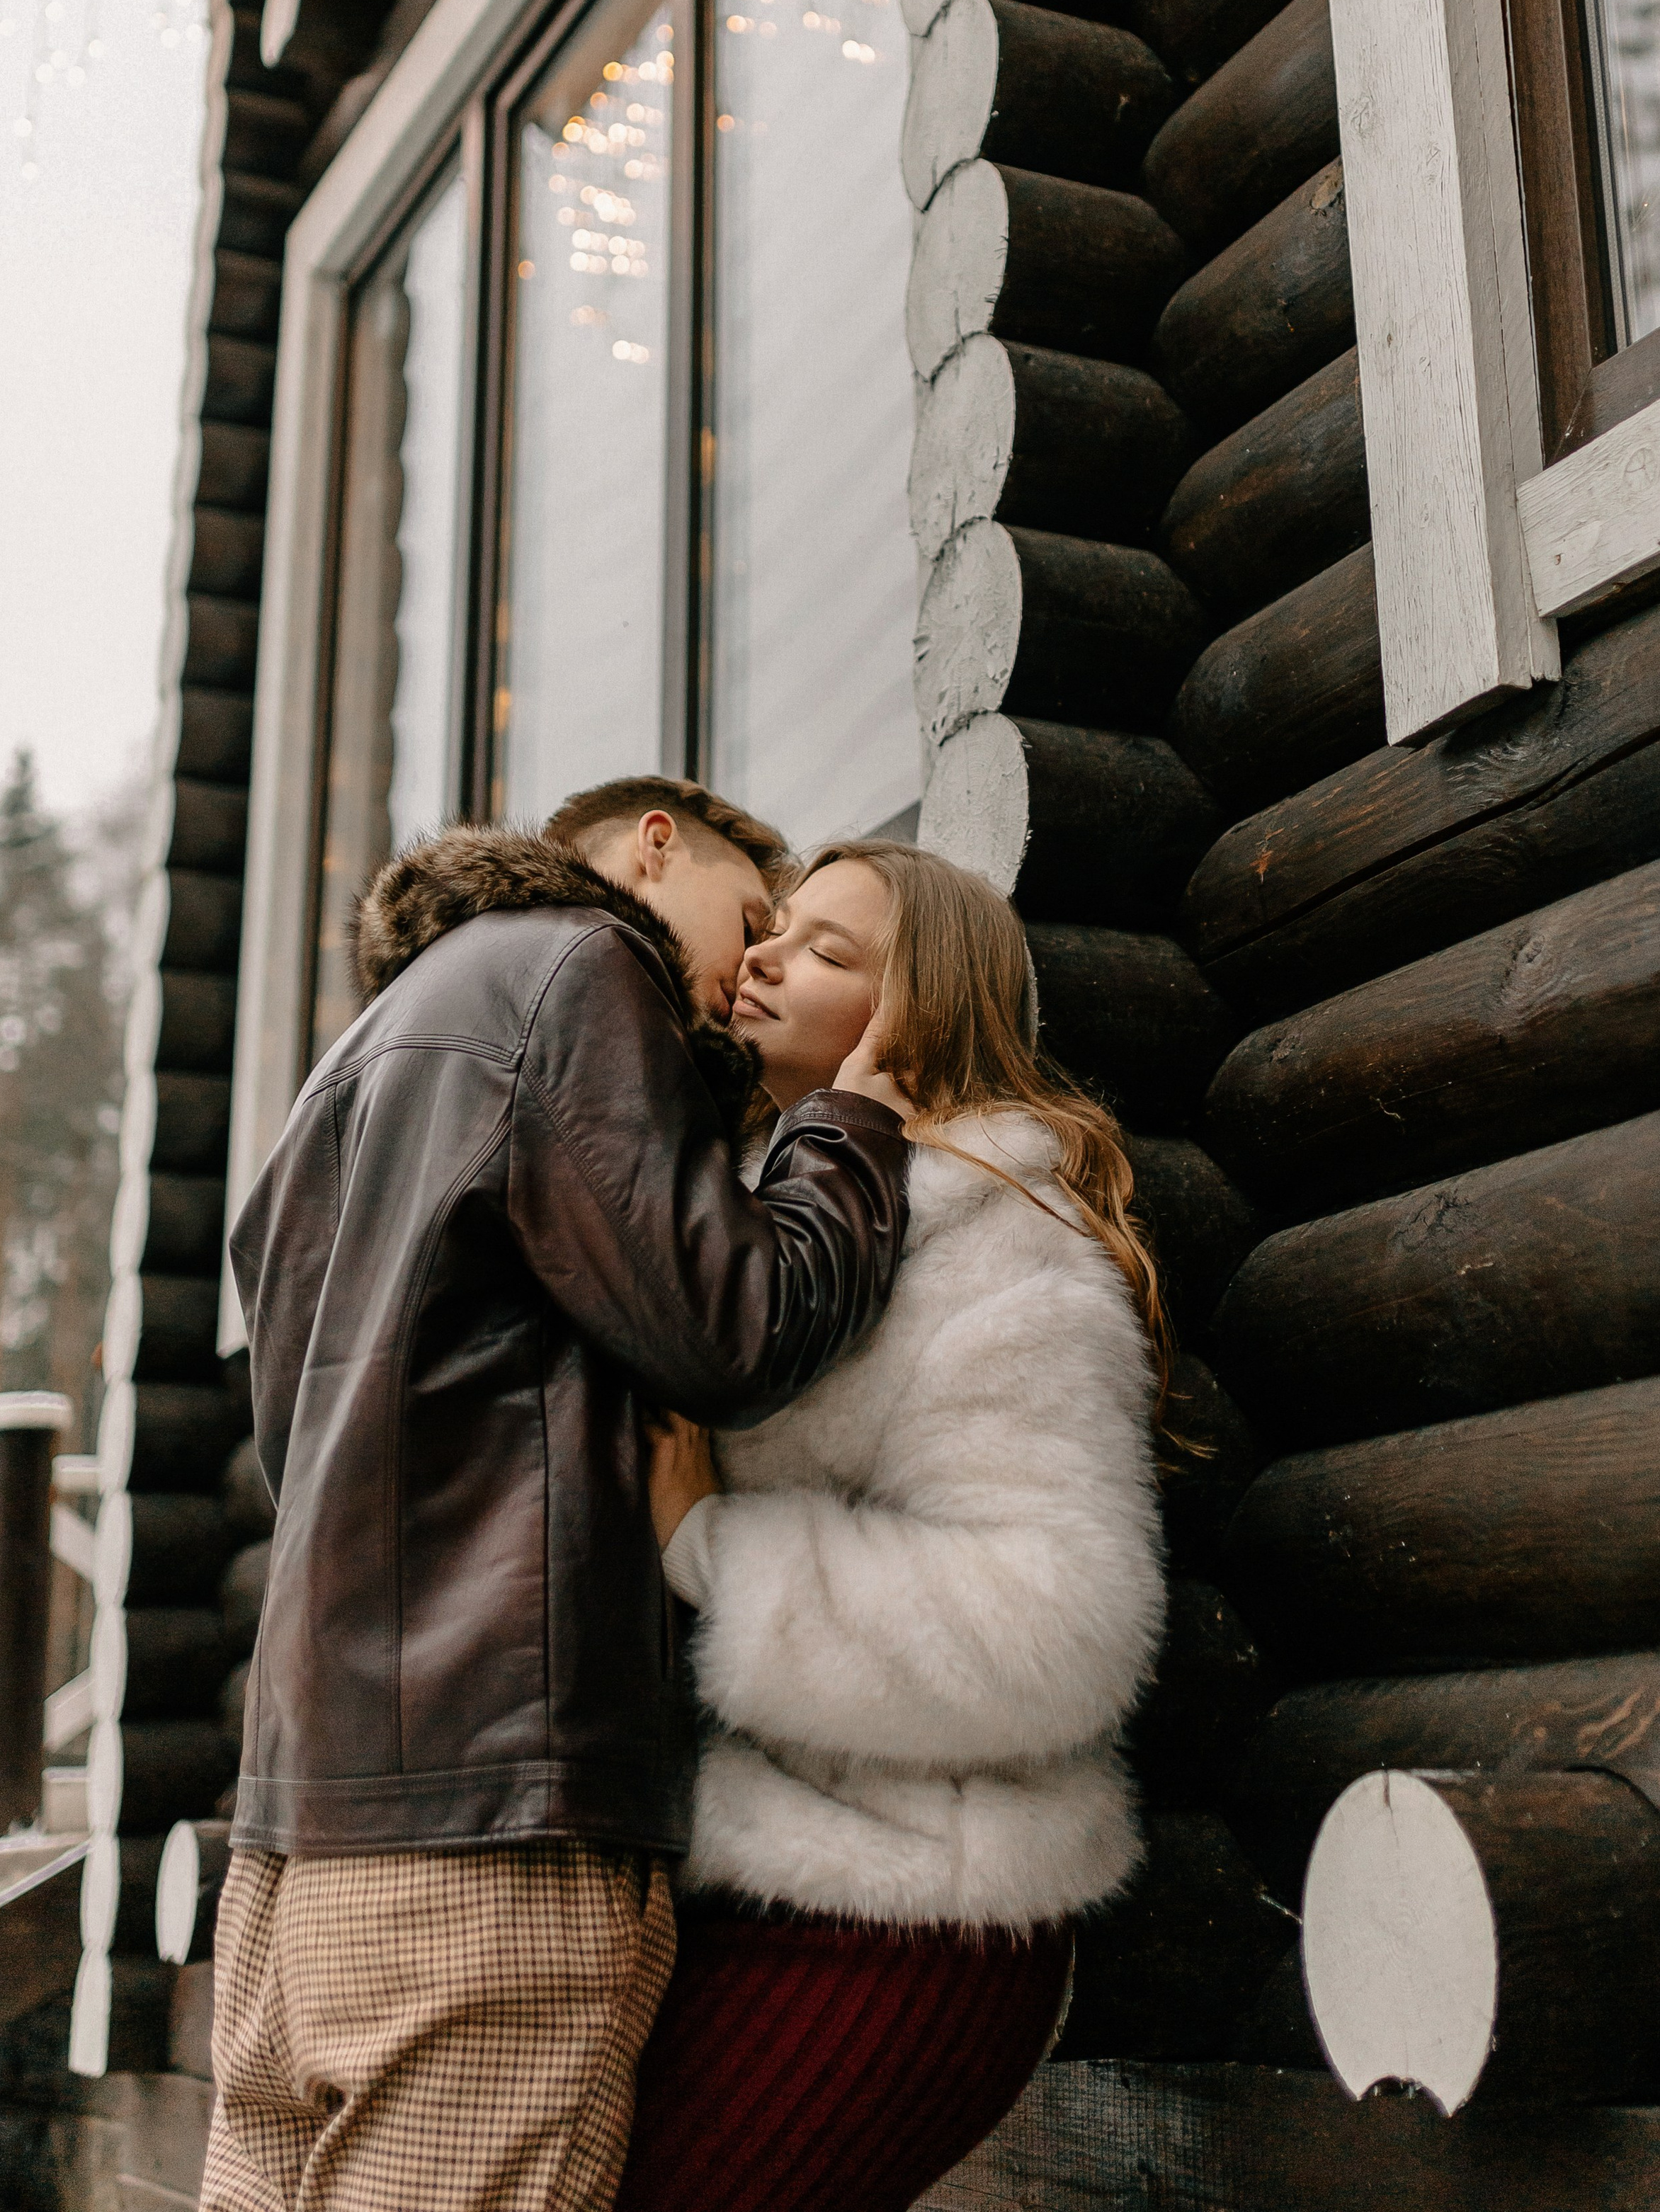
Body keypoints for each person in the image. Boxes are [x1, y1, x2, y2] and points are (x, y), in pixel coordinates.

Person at [200, 777, 912, 2212]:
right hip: (491, 1818)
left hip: (299, 1832)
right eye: (754, 916)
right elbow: (735, 1328)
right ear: (658, 847)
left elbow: (293, 1436)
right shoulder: (585, 968)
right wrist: (848, 1125)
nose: (746, 974)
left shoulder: (362, 1050)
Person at [620, 838, 1166, 2212]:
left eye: (825, 951)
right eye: (774, 929)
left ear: (921, 1012)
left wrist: (708, 1552)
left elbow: (1061, 1622)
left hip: (911, 1919)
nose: (761, 956)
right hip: (749, 1893)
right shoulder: (761, 1203)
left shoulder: (991, 1242)